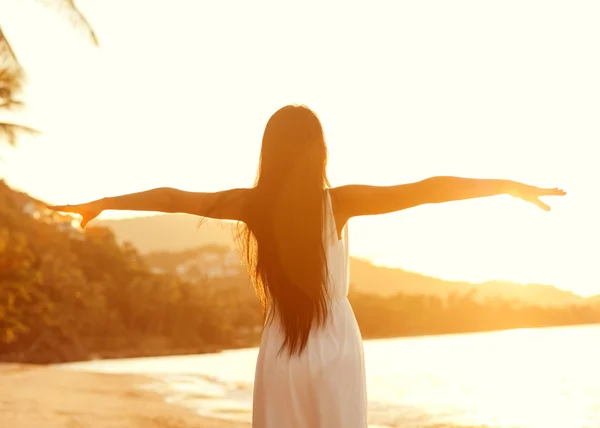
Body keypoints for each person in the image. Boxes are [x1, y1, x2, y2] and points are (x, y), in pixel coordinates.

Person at [49, 104, 566, 428]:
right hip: (335, 343)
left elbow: (174, 197)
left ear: (268, 154)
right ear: (319, 151)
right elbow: (426, 191)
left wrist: (103, 201)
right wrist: (506, 186)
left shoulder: (252, 206)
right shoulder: (338, 203)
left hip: (282, 347)